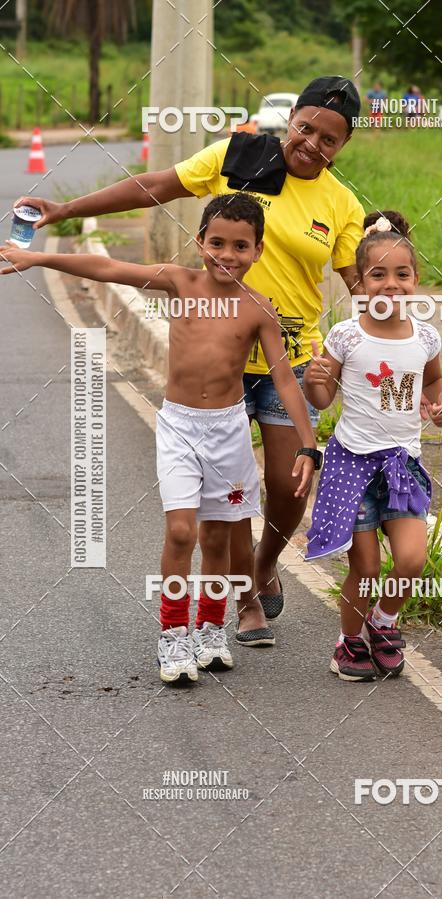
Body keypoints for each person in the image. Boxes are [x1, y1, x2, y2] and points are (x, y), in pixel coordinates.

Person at [12, 75, 365, 636]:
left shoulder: (342, 204)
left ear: (342, 146)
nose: (313, 144)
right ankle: (244, 600)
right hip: (217, 363)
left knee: (286, 484)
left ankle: (265, 565)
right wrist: (66, 210)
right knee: (226, 500)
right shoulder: (239, 154)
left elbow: (359, 282)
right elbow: (156, 184)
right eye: (306, 128)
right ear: (290, 117)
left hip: (289, 358)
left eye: (330, 139)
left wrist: (391, 331)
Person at [0, 193, 319, 684]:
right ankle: (173, 636)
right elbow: (108, 268)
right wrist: (38, 257)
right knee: (180, 532)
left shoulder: (259, 309)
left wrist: (306, 443)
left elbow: (282, 379)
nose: (226, 255)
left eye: (240, 246)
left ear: (257, 252)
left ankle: (210, 629)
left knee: (216, 537)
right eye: (217, 242)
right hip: (180, 428)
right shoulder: (180, 282)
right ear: (199, 242)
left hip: (229, 434)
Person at [303, 210, 442, 682]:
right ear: (361, 282)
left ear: (416, 279)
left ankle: (384, 622)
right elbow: (323, 397)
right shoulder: (347, 335)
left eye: (402, 274)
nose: (391, 285)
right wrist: (315, 381)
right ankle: (348, 644)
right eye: (378, 275)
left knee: (411, 559)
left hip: (402, 465)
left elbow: (433, 386)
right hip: (352, 465)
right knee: (366, 567)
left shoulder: (425, 337)